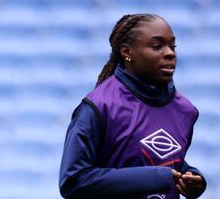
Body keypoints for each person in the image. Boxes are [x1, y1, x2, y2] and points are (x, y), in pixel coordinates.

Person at [59, 13, 206, 199]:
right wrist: (154, 177)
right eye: (157, 46)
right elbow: (73, 181)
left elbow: (152, 156)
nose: (170, 53)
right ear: (127, 52)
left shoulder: (185, 110)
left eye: (172, 46)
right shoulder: (99, 106)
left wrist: (190, 177)